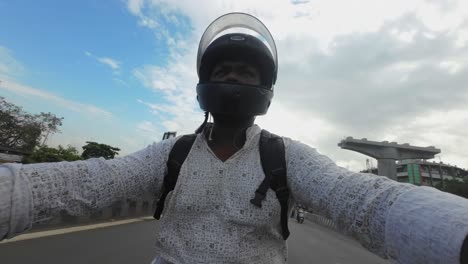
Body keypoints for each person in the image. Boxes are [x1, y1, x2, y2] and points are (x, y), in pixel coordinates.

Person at [1, 12, 467, 264]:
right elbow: (81, 184)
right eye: (222, 71)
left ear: (264, 91)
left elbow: (364, 201)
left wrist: (454, 235)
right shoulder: (173, 154)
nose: (232, 80)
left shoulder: (284, 156)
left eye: (245, 73)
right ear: (203, 86)